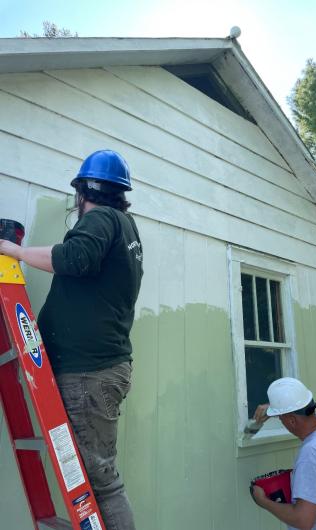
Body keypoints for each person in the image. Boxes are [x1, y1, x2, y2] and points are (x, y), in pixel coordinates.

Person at [0, 149, 143, 530]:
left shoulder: (99, 219)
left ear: (82, 192)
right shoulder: (123, 225)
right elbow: (76, 258)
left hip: (88, 374)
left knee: (102, 483)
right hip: (98, 370)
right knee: (100, 479)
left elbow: (75, 258)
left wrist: (14, 251)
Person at [250, 377, 316, 530]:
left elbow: (303, 520)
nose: (281, 421)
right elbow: (308, 411)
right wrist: (276, 408)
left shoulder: (311, 454)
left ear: (292, 421)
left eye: (281, 418)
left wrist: (263, 501)